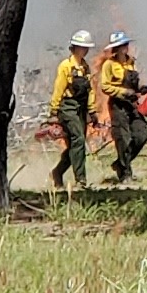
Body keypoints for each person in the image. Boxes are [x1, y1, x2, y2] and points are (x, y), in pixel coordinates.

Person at [99, 34, 147, 182]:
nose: (126, 47)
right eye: (123, 45)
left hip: (133, 105)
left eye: (126, 44)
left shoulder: (131, 62)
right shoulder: (109, 65)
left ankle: (119, 164)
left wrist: (141, 88)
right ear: (116, 48)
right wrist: (123, 92)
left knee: (141, 135)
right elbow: (105, 86)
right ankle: (125, 173)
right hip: (118, 106)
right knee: (123, 139)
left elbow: (135, 84)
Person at [48, 31, 97, 190]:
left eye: (87, 47)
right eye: (82, 47)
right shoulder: (66, 66)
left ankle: (57, 172)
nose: (85, 50)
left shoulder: (85, 67)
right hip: (67, 108)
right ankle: (81, 180)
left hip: (81, 108)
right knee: (78, 140)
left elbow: (90, 90)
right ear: (74, 47)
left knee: (75, 145)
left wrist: (92, 110)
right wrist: (54, 111)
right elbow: (59, 89)